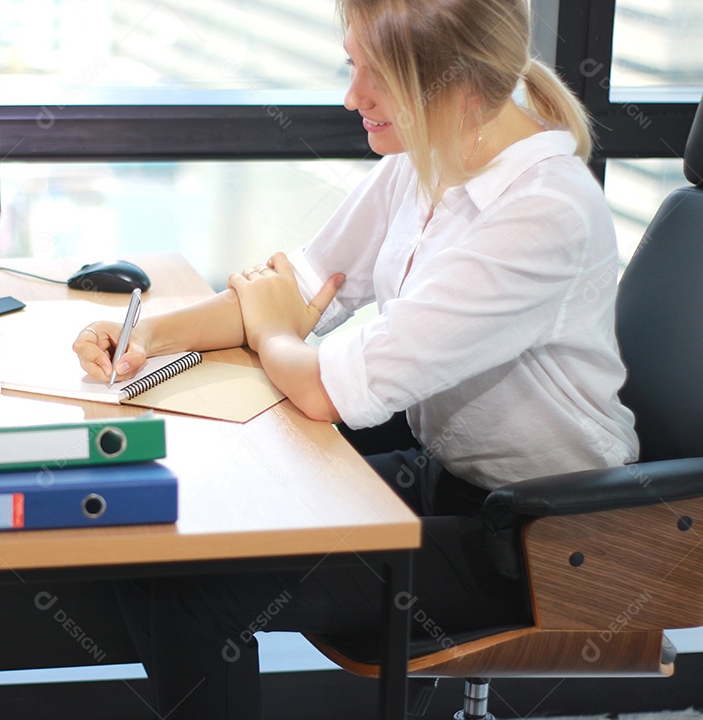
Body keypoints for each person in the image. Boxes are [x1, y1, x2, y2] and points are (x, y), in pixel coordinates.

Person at [72, 0, 640, 717]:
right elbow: (300, 289)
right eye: (353, 63)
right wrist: (145, 331)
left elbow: (322, 389)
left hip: (552, 540)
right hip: (451, 481)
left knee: (198, 593)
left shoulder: (542, 214)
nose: (353, 95)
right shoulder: (435, 151)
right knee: (166, 538)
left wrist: (278, 331)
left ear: (458, 83)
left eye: (381, 75)